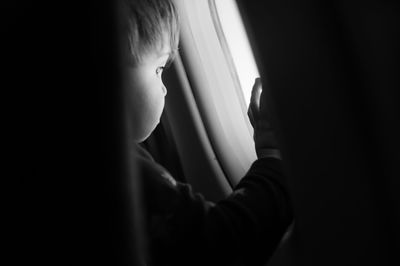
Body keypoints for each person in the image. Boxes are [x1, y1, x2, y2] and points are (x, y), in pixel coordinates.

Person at [123, 0, 293, 265]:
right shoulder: (127, 171)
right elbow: (219, 242)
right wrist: (273, 160)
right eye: (157, 70)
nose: (165, 89)